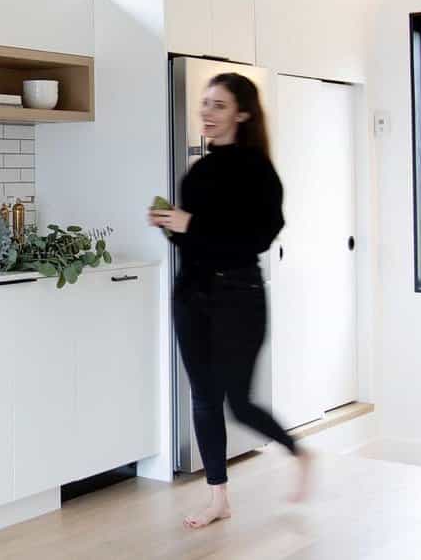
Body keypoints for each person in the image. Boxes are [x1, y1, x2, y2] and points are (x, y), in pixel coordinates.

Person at [148, 72, 312, 529]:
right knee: (203, 397)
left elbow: (256, 238)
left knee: (238, 401)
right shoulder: (197, 173)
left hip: (239, 295)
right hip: (193, 295)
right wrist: (170, 226)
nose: (206, 112)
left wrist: (191, 226)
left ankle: (299, 453)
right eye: (204, 103)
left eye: (218, 105)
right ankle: (218, 496)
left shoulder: (258, 171)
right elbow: (196, 242)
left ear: (242, 113)